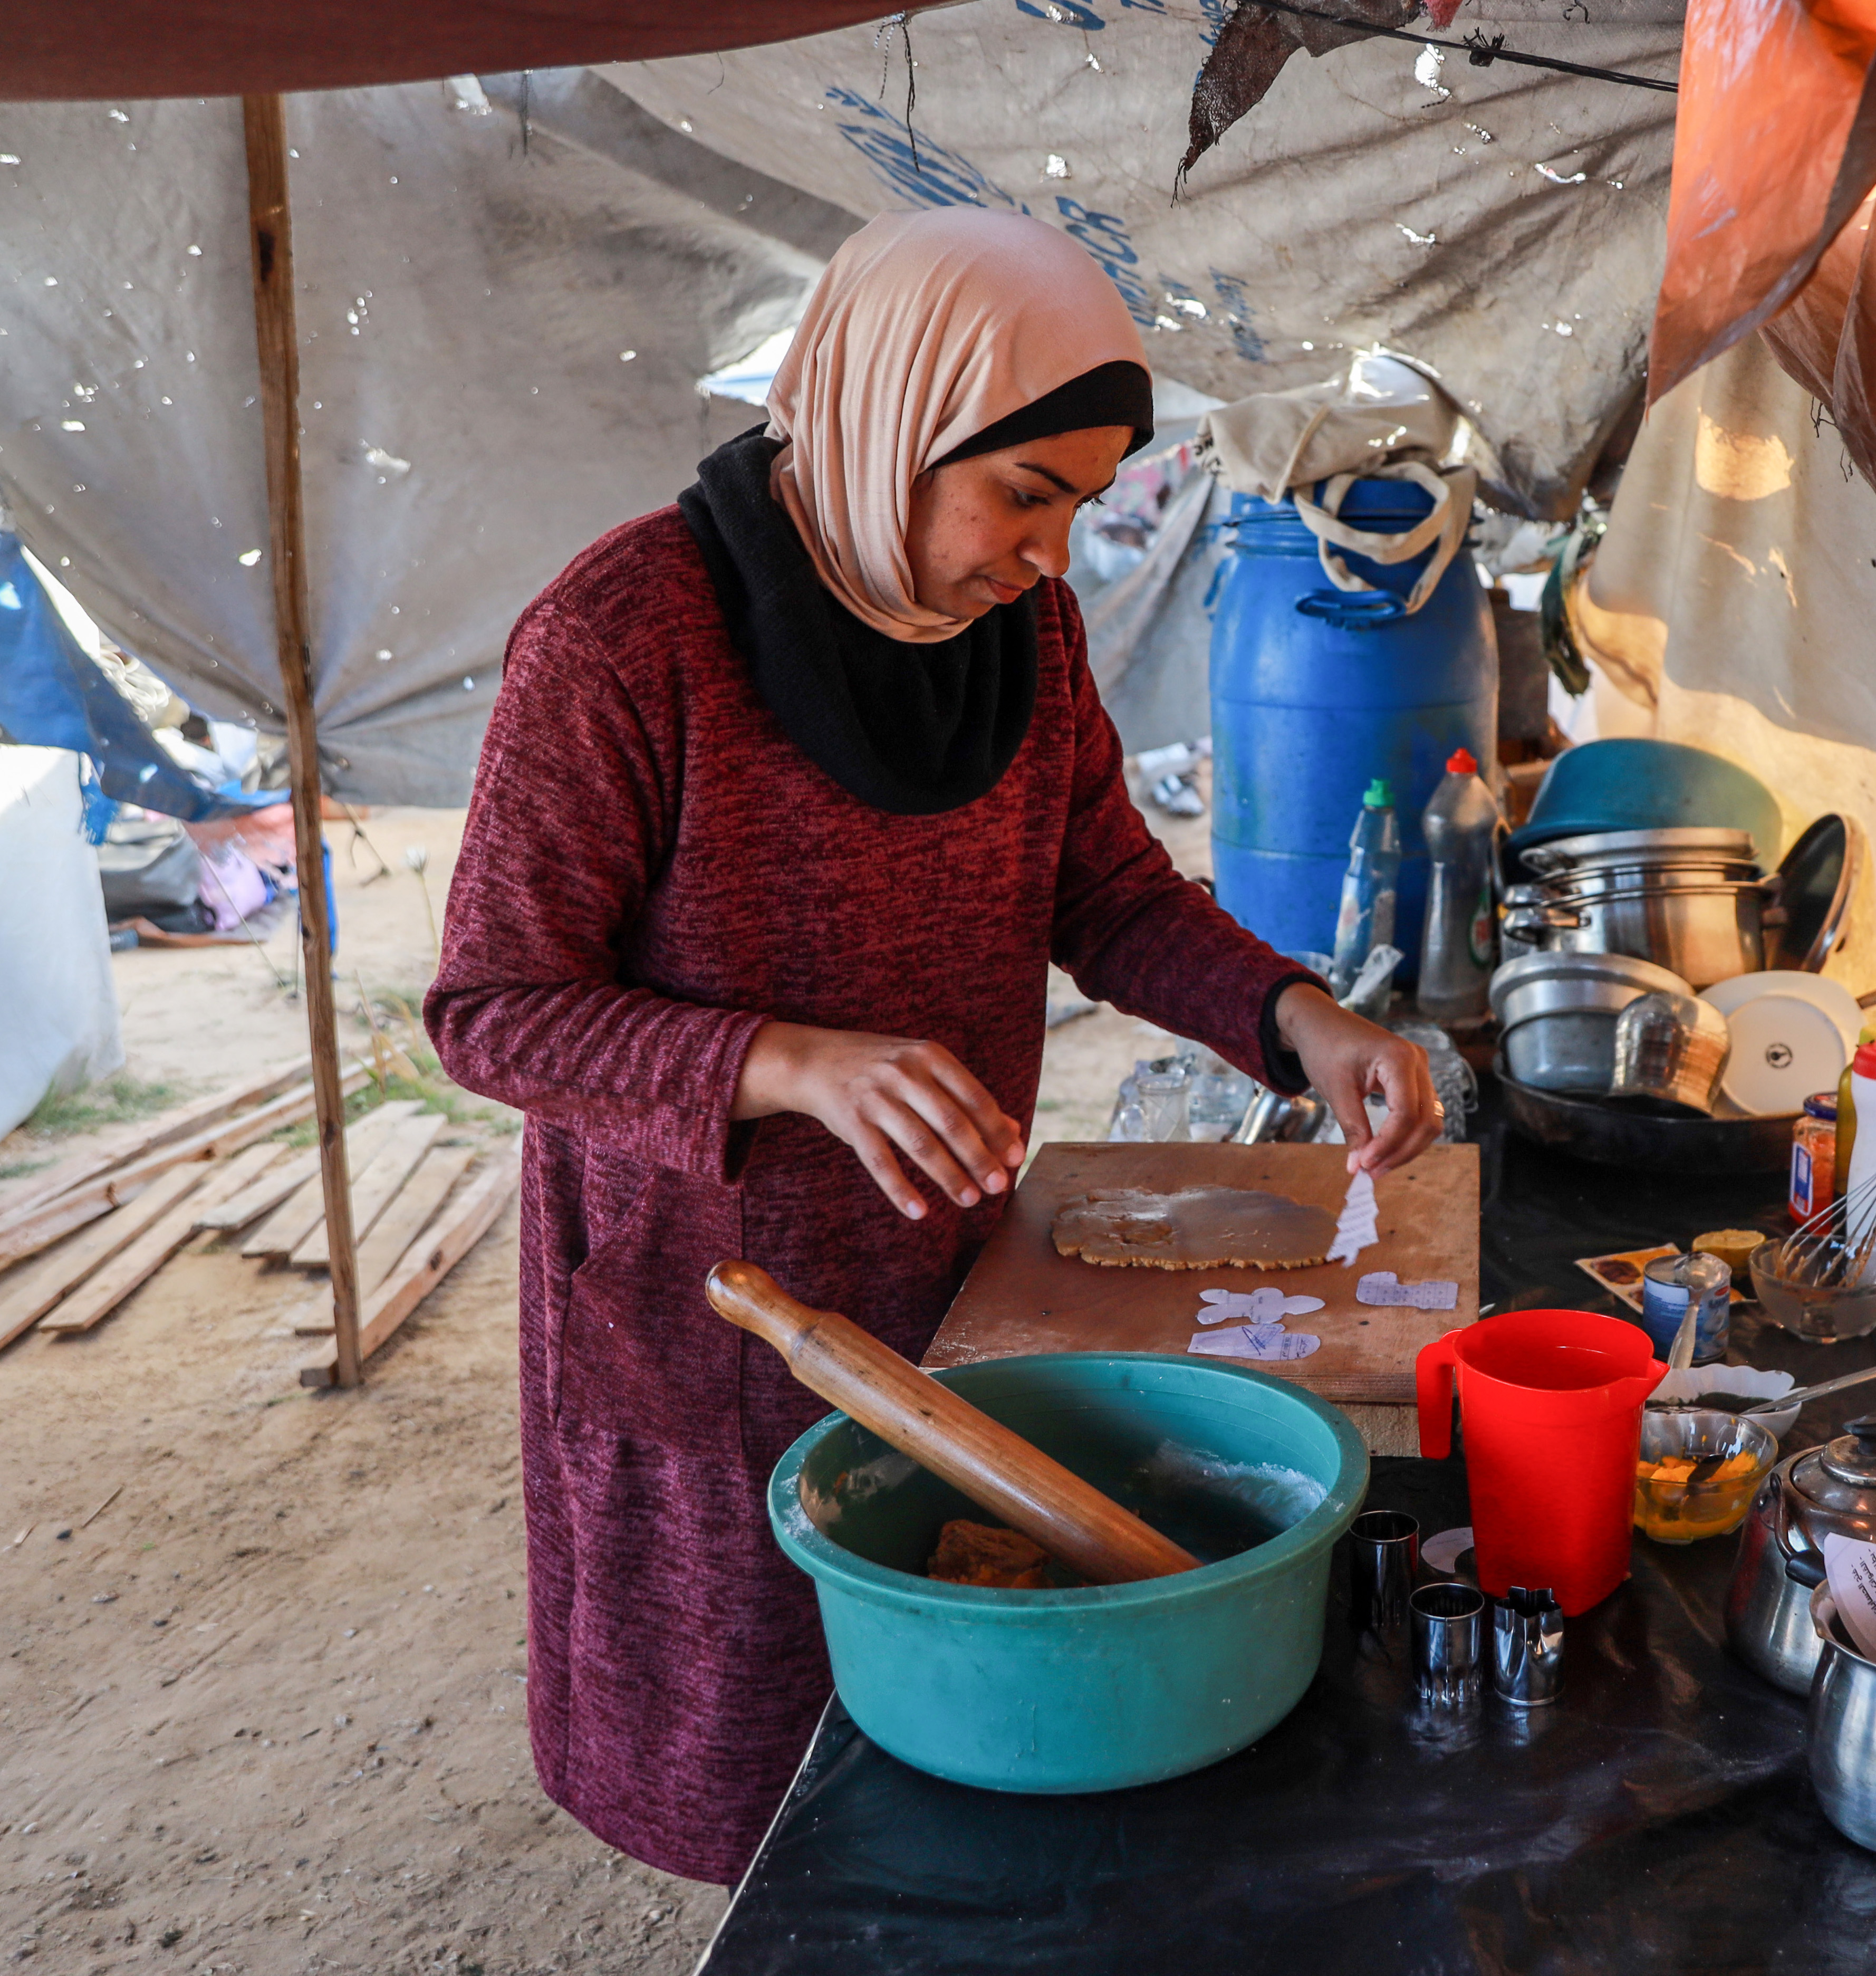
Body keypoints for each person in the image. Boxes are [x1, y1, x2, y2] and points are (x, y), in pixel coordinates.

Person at [425, 209, 1438, 1884]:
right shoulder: (624, 640)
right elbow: (491, 1008)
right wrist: (792, 1061)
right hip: (712, 1304)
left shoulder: (1015, 636)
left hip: (955, 1271)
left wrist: (1294, 1017)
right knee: (772, 1768)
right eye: (1023, 492)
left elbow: (1101, 886)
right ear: (891, 413)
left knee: (970, 1727)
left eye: (1085, 505)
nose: (1051, 555)